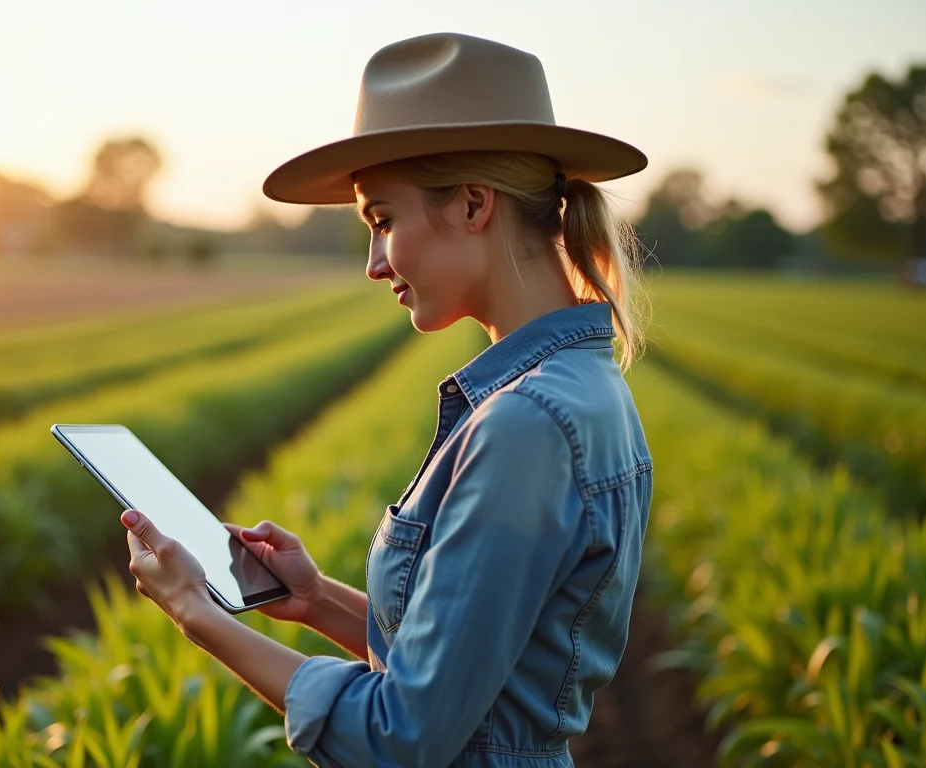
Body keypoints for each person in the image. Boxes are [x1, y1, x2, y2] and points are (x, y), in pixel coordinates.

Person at [119, 31, 653, 767]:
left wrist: (195, 612)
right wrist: (317, 601)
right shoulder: (582, 387)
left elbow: (402, 737)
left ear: (473, 204)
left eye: (382, 221)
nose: (374, 264)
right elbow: (475, 671)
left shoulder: (528, 423)